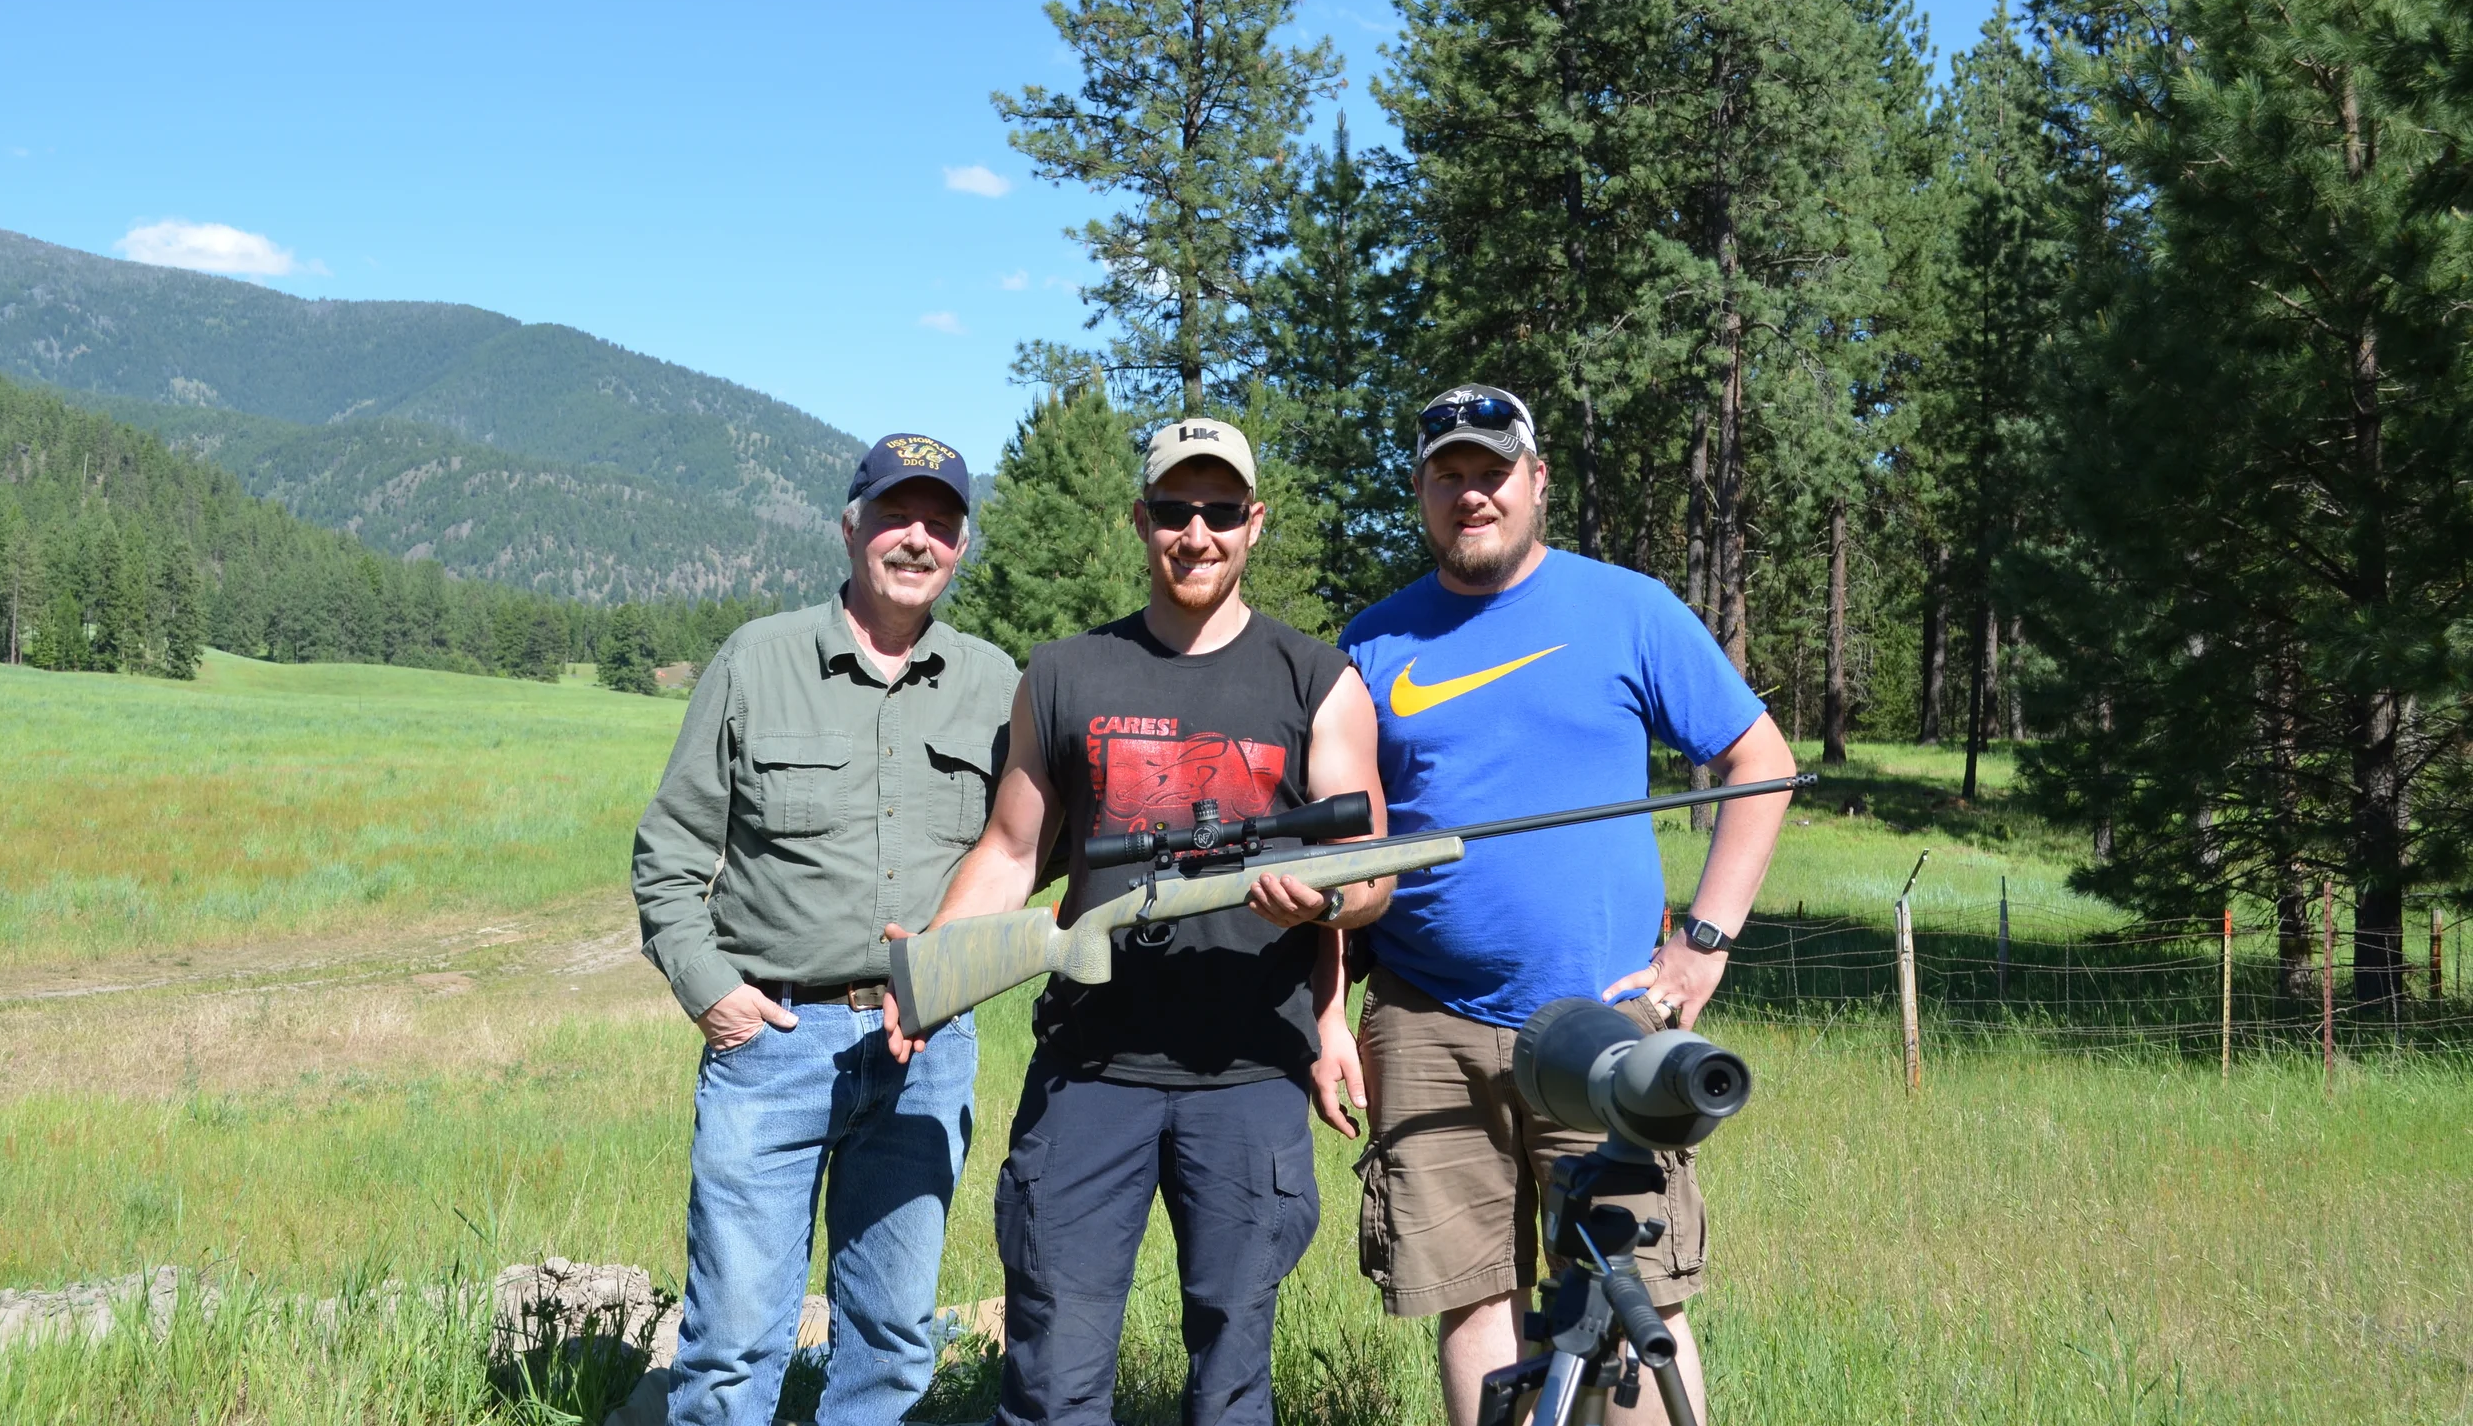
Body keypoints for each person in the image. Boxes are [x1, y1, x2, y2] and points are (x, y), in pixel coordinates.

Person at [885, 417, 1387, 1426]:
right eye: (1172, 509)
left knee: (1233, 1368)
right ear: (1140, 520)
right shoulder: (1066, 674)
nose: (1195, 533)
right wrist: (930, 969)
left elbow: (1368, 873)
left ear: (1254, 524)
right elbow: (1013, 852)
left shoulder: (1317, 678)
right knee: (1053, 1368)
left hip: (1249, 1073)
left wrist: (1323, 897)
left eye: (1219, 511)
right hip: (1089, 1069)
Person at [1331, 385, 1797, 1426]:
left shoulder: (1626, 608)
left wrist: (1702, 945)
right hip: (1422, 1020)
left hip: (1602, 1021)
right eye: (1448, 474)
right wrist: (1328, 1009)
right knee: (1468, 1296)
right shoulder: (1371, 644)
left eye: (1492, 472)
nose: (1471, 494)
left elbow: (1757, 760)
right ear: (1420, 492)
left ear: (1536, 481)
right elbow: (1339, 855)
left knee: (1633, 1296)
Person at [631, 433, 1020, 1426]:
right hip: (776, 1044)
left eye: (940, 522)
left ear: (963, 547)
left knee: (892, 1343)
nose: (916, 539)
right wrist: (712, 994)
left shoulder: (992, 684)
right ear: (851, 528)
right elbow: (669, 854)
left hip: (928, 1046)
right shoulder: (757, 661)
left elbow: (1023, 856)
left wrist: (962, 972)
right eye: (896, 515)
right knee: (729, 1348)